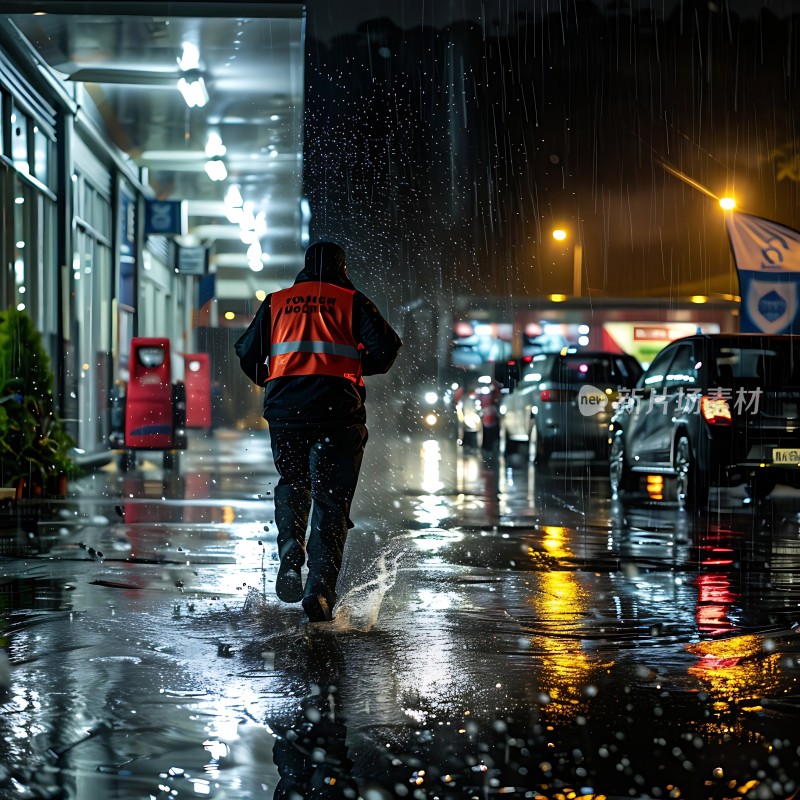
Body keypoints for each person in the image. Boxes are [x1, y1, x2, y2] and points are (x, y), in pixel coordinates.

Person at [234, 241, 402, 622]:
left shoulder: (278, 302)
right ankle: (320, 591)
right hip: (337, 414)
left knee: (293, 481)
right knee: (330, 502)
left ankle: (291, 551)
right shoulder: (351, 300)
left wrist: (271, 380)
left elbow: (246, 352)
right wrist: (356, 367)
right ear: (343, 267)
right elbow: (388, 349)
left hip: (286, 412)